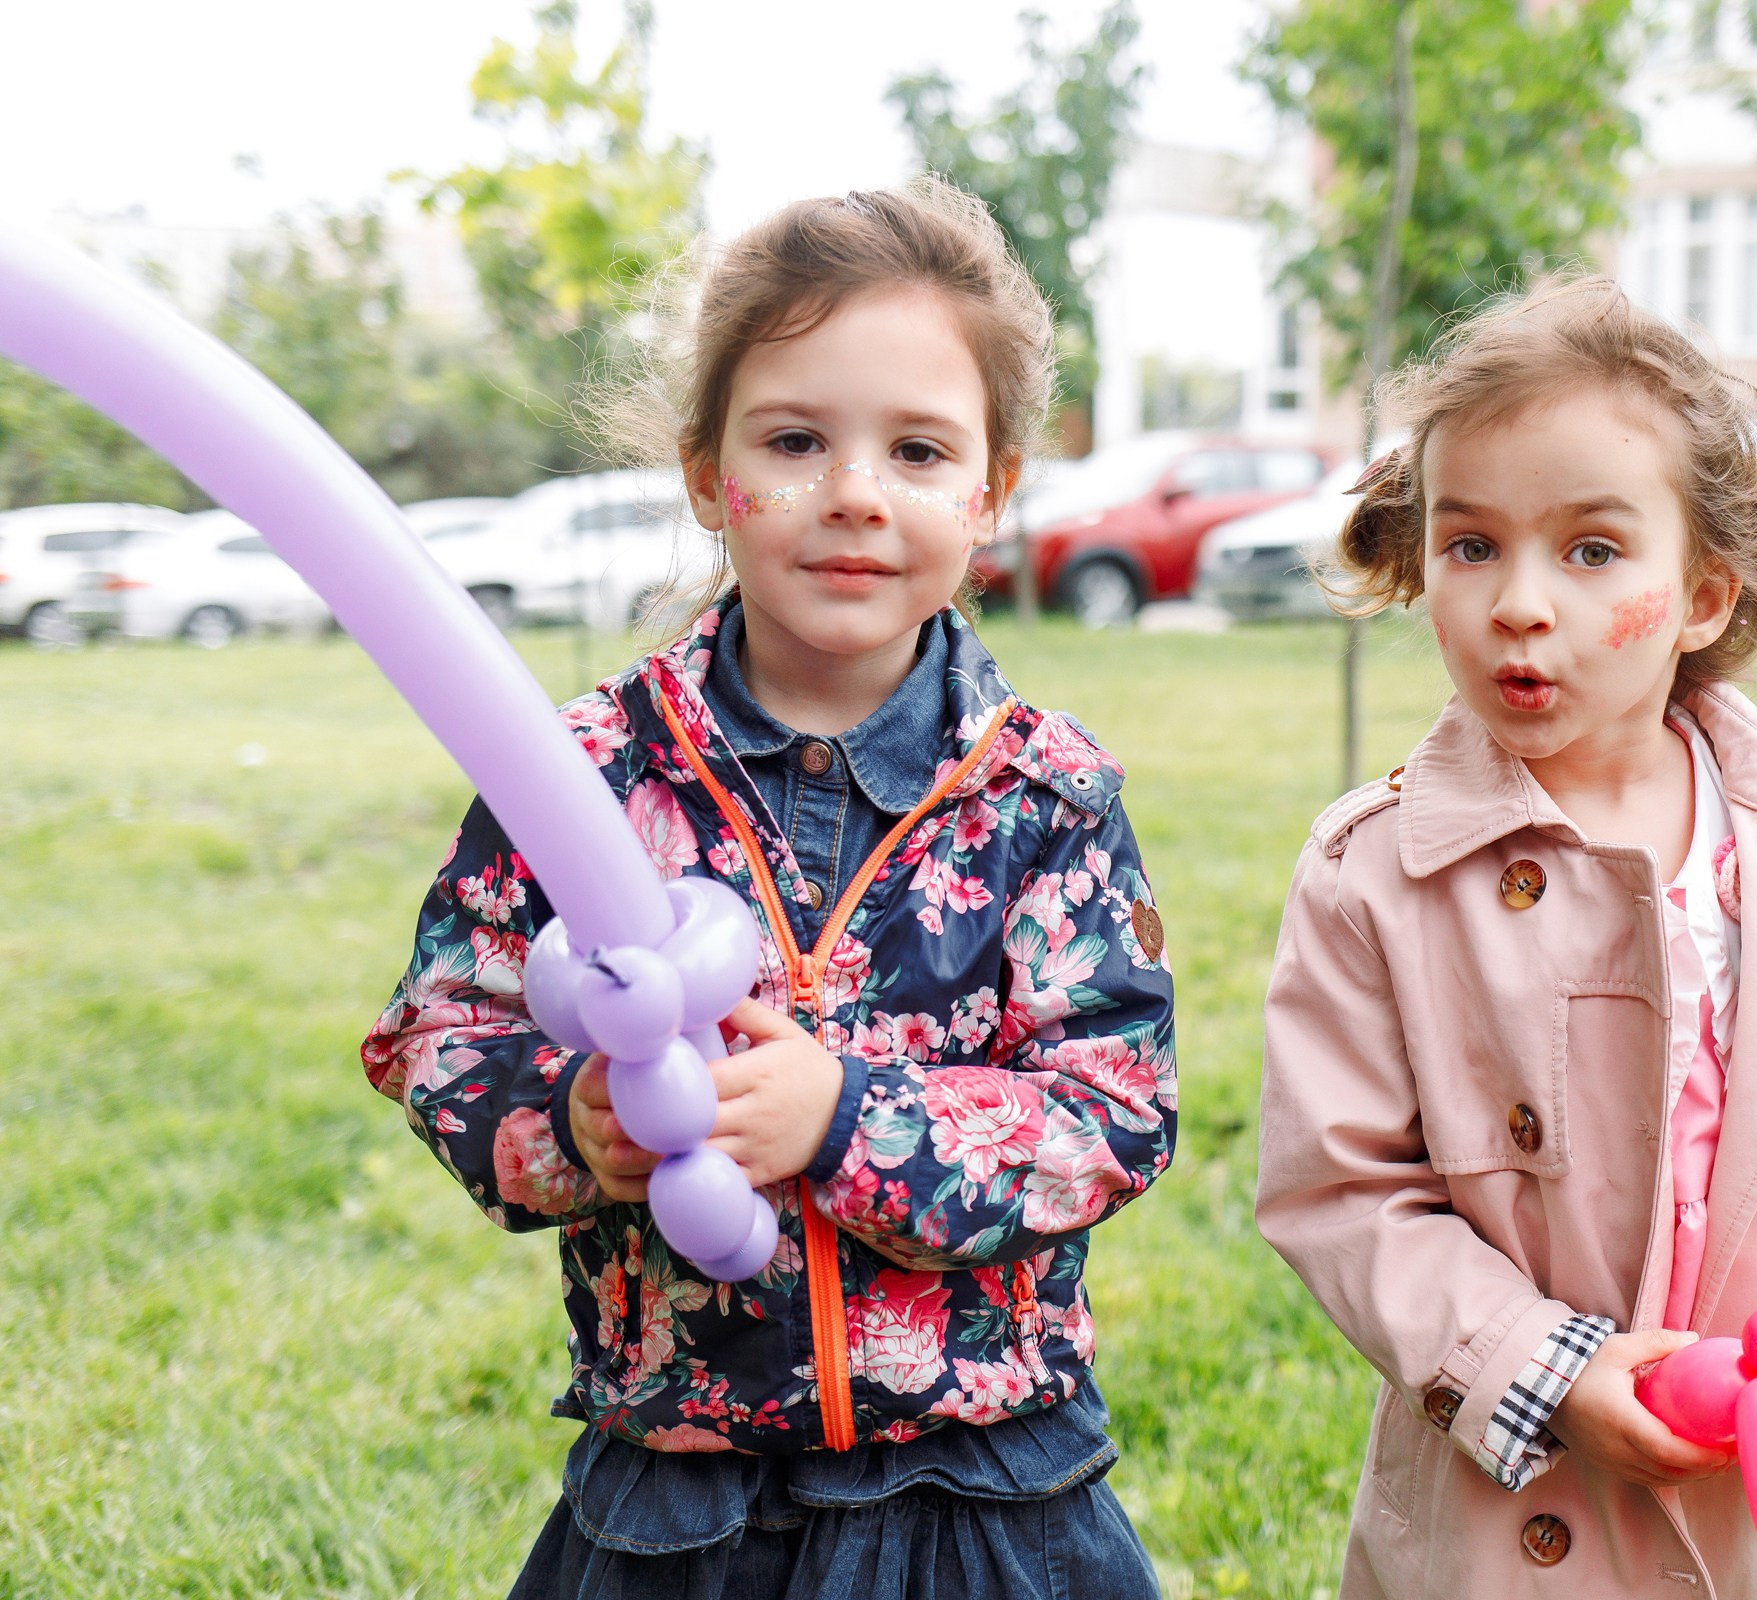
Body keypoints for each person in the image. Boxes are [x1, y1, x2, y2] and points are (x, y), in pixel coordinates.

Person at [363, 179, 1175, 1600]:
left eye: (917, 450)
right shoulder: (580, 773)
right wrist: (572, 1121)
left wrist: (846, 1120)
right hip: (679, 1504)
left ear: (989, 493)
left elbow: (1114, 1110)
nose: (855, 491)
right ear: (705, 474)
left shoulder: (1044, 795)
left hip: (987, 1488)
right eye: (795, 441)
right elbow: (440, 1030)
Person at [1254, 275, 1757, 1599]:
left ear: (1703, 595)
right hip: (1513, 1518)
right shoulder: (1374, 873)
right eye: (1472, 546)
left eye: (1592, 551)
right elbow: (1341, 1190)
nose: (1520, 603)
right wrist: (1544, 1370)